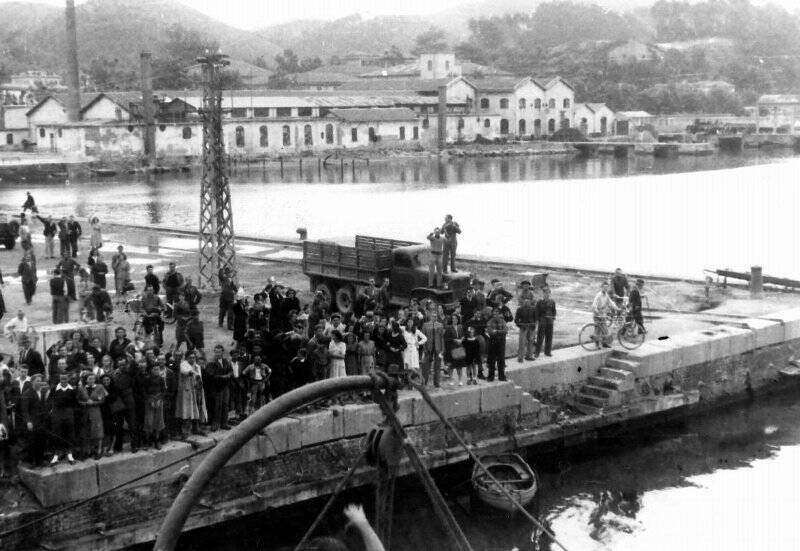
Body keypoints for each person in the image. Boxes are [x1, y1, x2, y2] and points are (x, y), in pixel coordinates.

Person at [176, 351, 207, 437]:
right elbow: (185, 371)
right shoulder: (183, 364)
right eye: (190, 357)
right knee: (187, 411)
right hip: (187, 391)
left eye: (193, 357)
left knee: (196, 409)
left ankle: (196, 428)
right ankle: (185, 431)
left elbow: (200, 378)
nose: (192, 359)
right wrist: (193, 373)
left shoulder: (197, 366)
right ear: (187, 358)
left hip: (196, 390)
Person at [50, 372, 77, 464]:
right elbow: (50, 400)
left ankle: (69, 454)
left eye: (65, 379)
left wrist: (70, 412)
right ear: (59, 379)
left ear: (68, 379)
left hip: (68, 413)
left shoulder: (72, 390)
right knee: (57, 433)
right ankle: (56, 455)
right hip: (57, 413)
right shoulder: (55, 389)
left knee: (69, 433)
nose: (64, 381)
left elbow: (74, 403)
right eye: (62, 379)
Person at [77, 373, 106, 459]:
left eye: (93, 379)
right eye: (89, 379)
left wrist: (94, 403)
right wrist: (85, 403)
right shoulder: (81, 388)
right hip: (86, 412)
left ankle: (99, 450)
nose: (91, 380)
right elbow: (78, 400)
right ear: (86, 380)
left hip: (95, 411)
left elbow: (102, 400)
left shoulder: (99, 387)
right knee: (87, 431)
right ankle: (89, 450)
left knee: (98, 430)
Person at [204, 345, 232, 430]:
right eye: (216, 352)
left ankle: (224, 423)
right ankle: (215, 424)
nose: (217, 354)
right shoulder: (211, 362)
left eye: (219, 352)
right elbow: (210, 375)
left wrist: (228, 375)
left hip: (225, 387)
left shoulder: (225, 361)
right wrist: (222, 377)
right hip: (216, 387)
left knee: (225, 405)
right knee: (217, 406)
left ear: (222, 352)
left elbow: (230, 370)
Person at [486, 306, 511, 382]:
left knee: (501, 359)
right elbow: (490, 332)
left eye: (497, 312)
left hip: (501, 342)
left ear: (499, 313)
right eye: (494, 312)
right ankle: (491, 377)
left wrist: (497, 331)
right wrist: (500, 331)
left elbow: (506, 330)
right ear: (492, 313)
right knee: (492, 360)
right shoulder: (490, 321)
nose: (495, 313)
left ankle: (501, 376)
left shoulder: (503, 321)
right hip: (493, 342)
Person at [592, 281, 619, 348]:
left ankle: (605, 343)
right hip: (597, 315)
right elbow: (594, 305)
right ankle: (597, 344)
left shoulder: (606, 295)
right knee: (597, 330)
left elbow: (611, 303)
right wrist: (597, 312)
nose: (605, 289)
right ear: (601, 287)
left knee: (605, 330)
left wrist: (617, 308)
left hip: (603, 314)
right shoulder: (598, 295)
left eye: (607, 288)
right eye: (604, 287)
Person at [421, 313, 445, 388]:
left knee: (437, 366)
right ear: (430, 317)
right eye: (433, 316)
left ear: (437, 317)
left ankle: (436, 383)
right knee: (426, 366)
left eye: (435, 316)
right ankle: (424, 382)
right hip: (428, 347)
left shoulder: (440, 325)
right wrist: (424, 348)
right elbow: (423, 337)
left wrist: (443, 349)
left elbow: (442, 338)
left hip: (438, 347)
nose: (434, 317)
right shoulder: (425, 325)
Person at [534, 287, 557, 358]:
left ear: (550, 293)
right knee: (540, 337)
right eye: (545, 293)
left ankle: (547, 352)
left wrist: (553, 318)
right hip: (542, 321)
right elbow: (537, 312)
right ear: (543, 293)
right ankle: (537, 352)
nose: (547, 294)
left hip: (550, 321)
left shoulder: (552, 301)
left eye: (548, 293)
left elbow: (554, 311)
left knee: (549, 337)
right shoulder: (539, 302)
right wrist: (538, 320)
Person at [515, 296, 537, 362]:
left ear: (530, 302)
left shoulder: (534, 309)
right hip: (523, 327)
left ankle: (529, 356)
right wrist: (520, 325)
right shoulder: (519, 309)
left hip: (531, 327)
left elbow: (536, 319)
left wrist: (534, 326)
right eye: (525, 301)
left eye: (528, 301)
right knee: (522, 342)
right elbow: (516, 320)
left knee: (531, 341)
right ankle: (520, 357)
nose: (527, 302)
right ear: (523, 302)